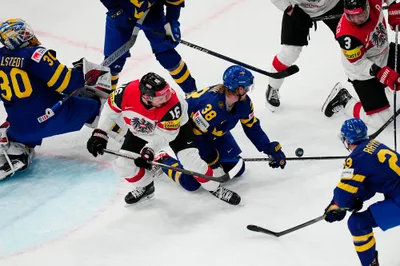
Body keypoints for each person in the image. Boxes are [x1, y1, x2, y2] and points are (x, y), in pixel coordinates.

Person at [86, 72, 241, 205]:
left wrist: (149, 150)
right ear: (147, 97)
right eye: (162, 96)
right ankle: (146, 187)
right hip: (141, 129)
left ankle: (216, 188)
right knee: (122, 165)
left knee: (192, 162)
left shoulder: (172, 105)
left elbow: (167, 135)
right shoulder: (125, 93)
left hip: (178, 129)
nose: (168, 95)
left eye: (167, 90)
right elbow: (110, 110)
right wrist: (100, 132)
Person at [0, 18, 112, 180]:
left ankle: (19, 150)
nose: (28, 36)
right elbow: (66, 83)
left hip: (19, 127)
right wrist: (81, 72)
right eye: (23, 34)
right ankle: (130, 136)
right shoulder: (35, 55)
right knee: (97, 104)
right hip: (52, 117)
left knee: (22, 114)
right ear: (14, 38)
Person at [154, 65, 287, 192]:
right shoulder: (211, 107)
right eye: (245, 88)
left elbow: (251, 126)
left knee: (237, 169)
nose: (247, 91)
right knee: (191, 183)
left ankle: (214, 159)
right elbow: (195, 134)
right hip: (186, 134)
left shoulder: (244, 103)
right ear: (237, 88)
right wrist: (212, 159)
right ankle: (162, 159)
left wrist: (267, 147)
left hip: (215, 132)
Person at [323, 118, 400, 266]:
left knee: (358, 223)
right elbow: (371, 183)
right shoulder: (375, 145)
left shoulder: (355, 157)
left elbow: (343, 195)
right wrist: (356, 198)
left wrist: (337, 205)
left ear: (346, 140)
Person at [322, 0, 400, 129]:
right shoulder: (346, 36)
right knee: (380, 121)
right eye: (351, 16)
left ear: (367, 6)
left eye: (360, 15)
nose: (357, 20)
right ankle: (344, 100)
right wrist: (382, 73)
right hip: (363, 73)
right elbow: (359, 63)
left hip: (384, 53)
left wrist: (393, 6)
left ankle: (384, 87)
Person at [100, 0, 197, 93]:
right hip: (122, 14)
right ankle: (103, 100)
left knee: (167, 55)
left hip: (152, 13)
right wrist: (115, 11)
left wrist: (172, 21)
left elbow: (174, 2)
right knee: (113, 63)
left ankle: (192, 93)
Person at [266, 0, 344, 111]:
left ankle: (367, 79)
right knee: (290, 52)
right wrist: (290, 10)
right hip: (299, 7)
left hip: (333, 4)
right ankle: (273, 86)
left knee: (353, 43)